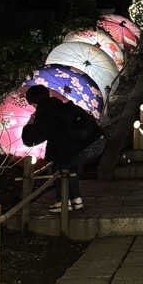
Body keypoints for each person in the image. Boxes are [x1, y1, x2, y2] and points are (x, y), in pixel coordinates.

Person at [21, 85, 105, 213]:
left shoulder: (45, 111)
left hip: (75, 145)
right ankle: (76, 200)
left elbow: (33, 138)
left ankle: (63, 201)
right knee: (70, 169)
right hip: (93, 141)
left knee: (60, 169)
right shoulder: (61, 105)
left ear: (34, 103)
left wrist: (29, 124)